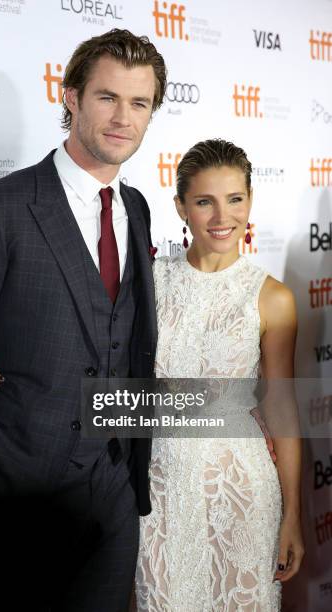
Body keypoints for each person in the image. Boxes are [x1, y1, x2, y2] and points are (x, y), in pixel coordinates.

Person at [0, 29, 167, 611]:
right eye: (108, 97)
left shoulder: (135, 207)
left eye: (140, 103)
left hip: (115, 489)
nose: (123, 118)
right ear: (72, 97)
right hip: (21, 486)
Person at [134, 139, 304, 610]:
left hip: (243, 492)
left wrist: (293, 514)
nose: (221, 217)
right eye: (204, 201)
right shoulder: (147, 282)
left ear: (250, 202)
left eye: (235, 199)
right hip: (158, 487)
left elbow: (282, 408)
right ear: (181, 208)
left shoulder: (273, 298)